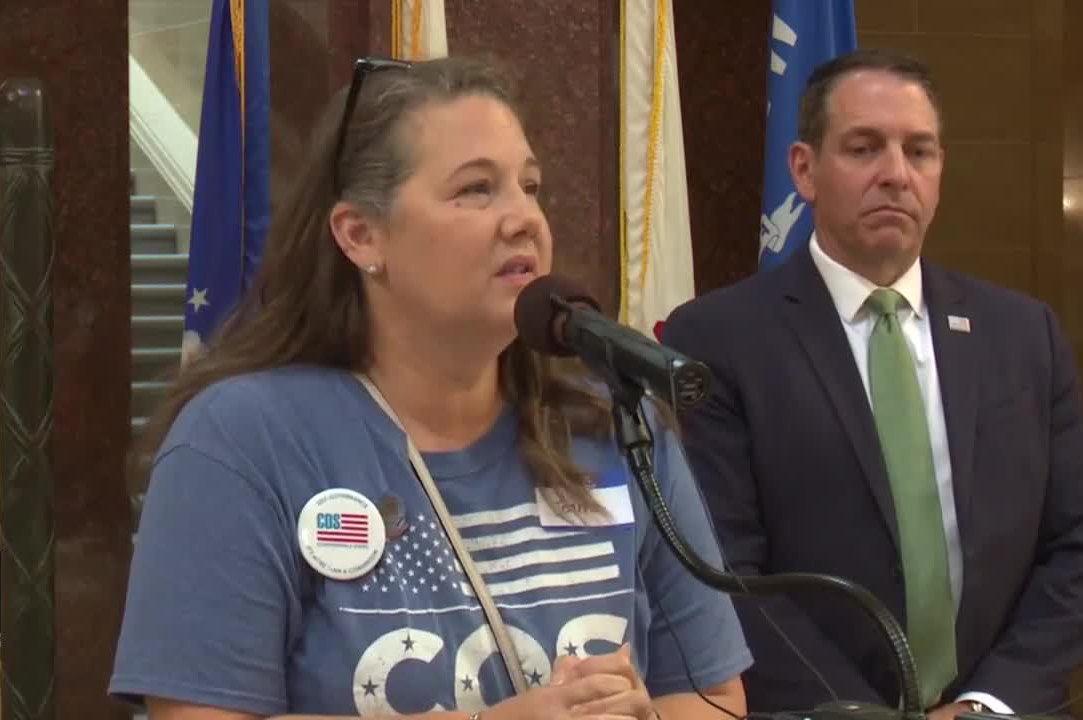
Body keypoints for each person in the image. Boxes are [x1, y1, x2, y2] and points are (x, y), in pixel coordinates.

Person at [109, 54, 752, 720]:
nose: (524, 218)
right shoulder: (241, 440)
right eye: (476, 189)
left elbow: (714, 698)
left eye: (530, 186)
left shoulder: (612, 419)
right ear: (361, 235)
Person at [661, 47, 1083, 719]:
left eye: (919, 152)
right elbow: (725, 576)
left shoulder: (1024, 336)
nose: (896, 175)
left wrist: (988, 704)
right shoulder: (719, 340)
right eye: (865, 148)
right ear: (805, 170)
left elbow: (1078, 546)